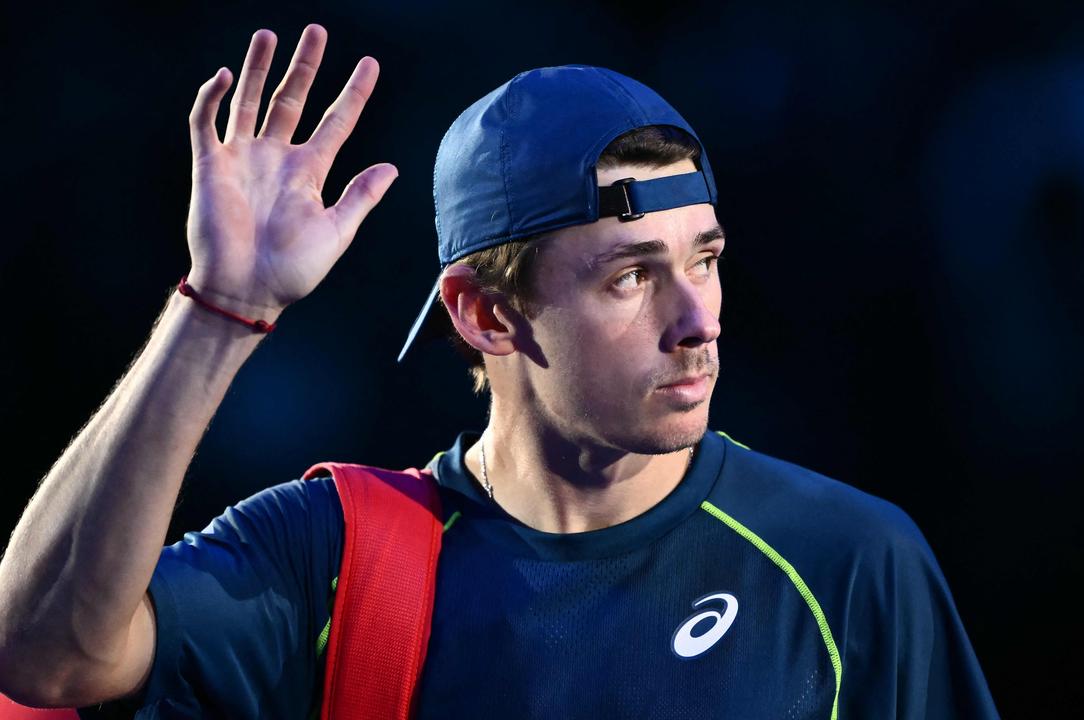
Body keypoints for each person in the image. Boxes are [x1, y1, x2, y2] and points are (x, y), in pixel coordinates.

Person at [0, 23, 999, 719]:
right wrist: (219, 313)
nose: (698, 320)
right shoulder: (333, 561)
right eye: (630, 278)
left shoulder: (848, 560)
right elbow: (47, 655)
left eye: (705, 257)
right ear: (484, 314)